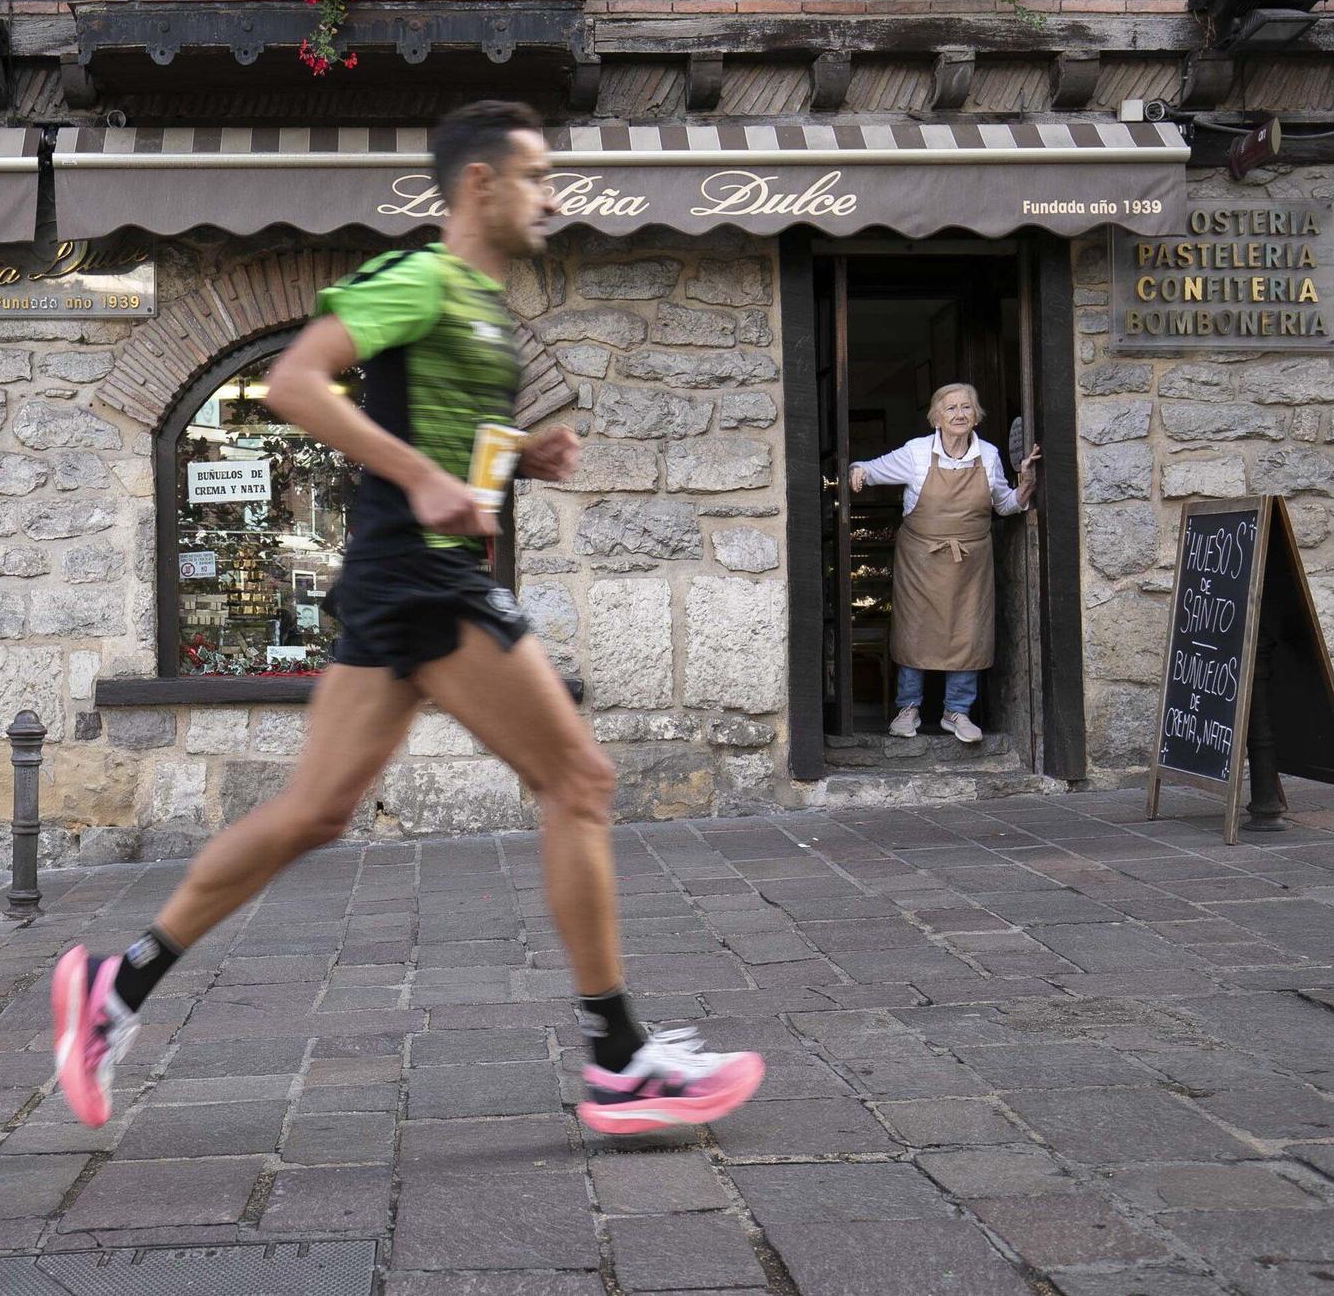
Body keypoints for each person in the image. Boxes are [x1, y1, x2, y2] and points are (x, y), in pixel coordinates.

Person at [52, 101, 765, 1137]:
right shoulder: (418, 280)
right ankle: (619, 1060)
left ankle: (114, 988)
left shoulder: (479, 308)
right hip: (423, 578)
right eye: (535, 177)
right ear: (478, 185)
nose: (552, 198)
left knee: (312, 812)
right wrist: (426, 477)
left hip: (406, 579)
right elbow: (293, 382)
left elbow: (435, 433)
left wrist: (519, 454)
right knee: (577, 779)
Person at [849, 382, 1039, 744]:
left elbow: (1004, 504)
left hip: (971, 561)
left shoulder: (989, 455)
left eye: (966, 407)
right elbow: (870, 468)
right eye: (950, 408)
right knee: (914, 629)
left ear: (976, 414)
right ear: (936, 417)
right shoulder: (917, 453)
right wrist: (857, 471)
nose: (959, 414)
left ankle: (957, 712)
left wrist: (1026, 486)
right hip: (921, 559)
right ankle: (908, 710)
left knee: (967, 631)